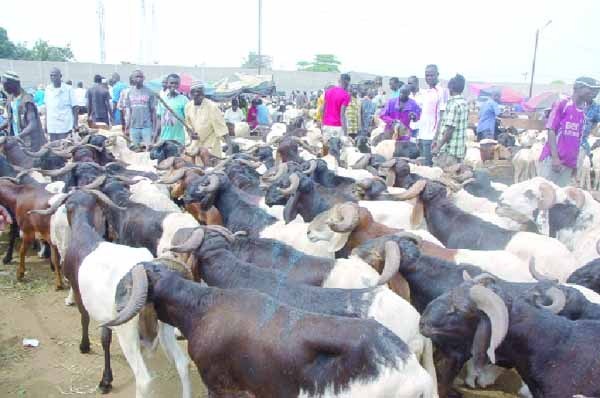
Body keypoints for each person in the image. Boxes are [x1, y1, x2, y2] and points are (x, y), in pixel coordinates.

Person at [539, 77, 599, 187]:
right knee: (544, 193)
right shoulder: (562, 103)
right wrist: (555, 158)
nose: (594, 93)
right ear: (578, 88)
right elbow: (551, 130)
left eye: (596, 90)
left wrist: (574, 163)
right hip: (553, 159)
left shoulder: (583, 110)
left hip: (569, 162)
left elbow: (579, 138)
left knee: (560, 196)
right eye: (591, 89)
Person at [0, 71, 46, 151]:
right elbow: (11, 120)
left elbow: (32, 124)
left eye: (5, 85)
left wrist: (18, 136)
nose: (4, 88)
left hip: (30, 143)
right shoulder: (11, 98)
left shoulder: (26, 101)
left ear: (13, 84)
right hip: (18, 142)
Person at [184, 81, 230, 157]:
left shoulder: (212, 107)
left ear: (203, 93)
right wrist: (191, 134)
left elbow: (222, 129)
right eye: (195, 92)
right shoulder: (188, 107)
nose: (197, 94)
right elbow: (188, 125)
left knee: (210, 167)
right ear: (191, 94)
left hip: (211, 146)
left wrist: (230, 148)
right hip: (195, 145)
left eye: (200, 92)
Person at [432, 74, 468, 167]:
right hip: (458, 149)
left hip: (449, 152)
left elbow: (449, 130)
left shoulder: (454, 104)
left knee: (440, 177)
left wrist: (438, 147)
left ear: (451, 88)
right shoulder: (464, 103)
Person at [418, 64, 449, 166]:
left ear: (437, 75)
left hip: (431, 136)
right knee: (422, 166)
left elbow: (442, 116)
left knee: (428, 168)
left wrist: (436, 137)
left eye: (431, 75)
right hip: (422, 134)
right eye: (427, 75)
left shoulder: (441, 91)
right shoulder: (426, 92)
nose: (429, 78)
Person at [124, 70, 157, 147]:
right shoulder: (129, 92)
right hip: (134, 127)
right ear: (132, 79)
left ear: (144, 78)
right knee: (135, 149)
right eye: (137, 77)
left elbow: (153, 112)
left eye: (141, 77)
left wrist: (154, 129)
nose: (139, 79)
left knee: (148, 150)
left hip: (147, 127)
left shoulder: (150, 92)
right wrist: (127, 125)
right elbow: (130, 111)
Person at [45, 67, 78, 141]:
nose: (53, 77)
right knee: (53, 146)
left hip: (64, 123)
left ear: (60, 76)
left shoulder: (68, 89)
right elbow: (47, 107)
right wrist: (45, 123)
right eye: (51, 75)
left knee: (63, 145)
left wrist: (75, 123)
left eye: (55, 75)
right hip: (52, 123)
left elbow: (75, 107)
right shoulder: (48, 89)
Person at [155, 74, 189, 145]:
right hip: (163, 139)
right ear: (167, 83)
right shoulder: (162, 99)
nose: (173, 85)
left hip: (178, 139)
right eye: (171, 83)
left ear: (179, 85)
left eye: (176, 83)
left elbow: (188, 119)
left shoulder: (184, 100)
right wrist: (155, 137)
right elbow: (159, 119)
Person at [321, 73, 351, 140]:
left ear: (339, 80)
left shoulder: (328, 92)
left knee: (325, 148)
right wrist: (345, 133)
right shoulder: (346, 95)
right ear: (348, 83)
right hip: (337, 127)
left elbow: (322, 109)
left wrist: (322, 123)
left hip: (326, 124)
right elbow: (342, 115)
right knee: (338, 148)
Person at [581, 84, 600, 156]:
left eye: (597, 92)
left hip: (583, 142)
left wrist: (591, 127)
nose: (594, 94)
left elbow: (596, 121)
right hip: (566, 140)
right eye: (593, 91)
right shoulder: (574, 103)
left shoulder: (596, 108)